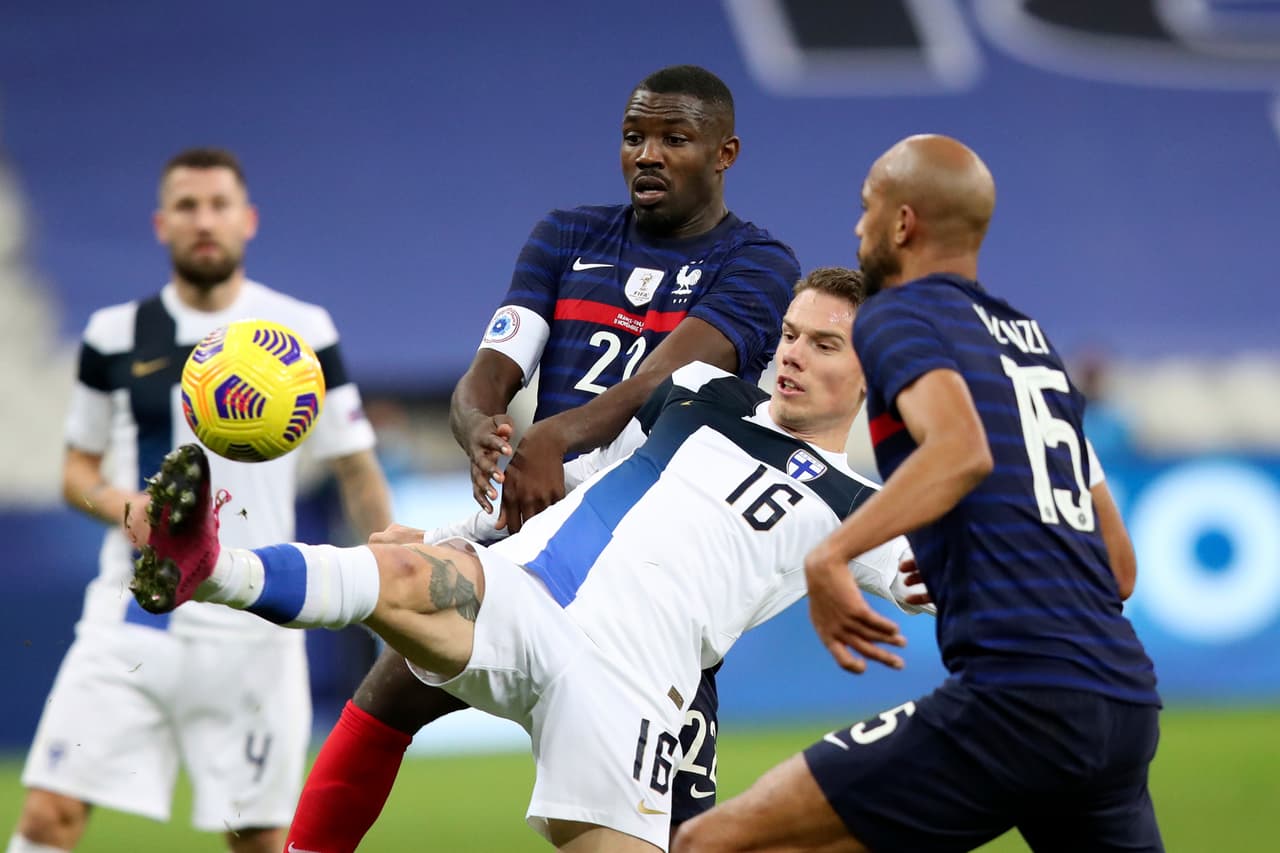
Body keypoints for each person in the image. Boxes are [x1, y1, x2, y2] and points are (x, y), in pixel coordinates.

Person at [126, 268, 929, 853]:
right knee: (404, 578)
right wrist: (463, 536)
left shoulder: (864, 503)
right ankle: (209, 564)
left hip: (633, 683)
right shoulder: (695, 391)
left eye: (824, 344)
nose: (792, 353)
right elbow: (575, 476)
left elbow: (933, 581)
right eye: (790, 333)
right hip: (530, 587)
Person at [286, 64, 801, 853]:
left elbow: (665, 377)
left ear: (725, 152)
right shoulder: (566, 236)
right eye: (634, 138)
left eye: (674, 138)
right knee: (392, 684)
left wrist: (552, 438)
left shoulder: (760, 264)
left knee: (684, 831)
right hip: (531, 523)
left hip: (655, 564)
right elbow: (490, 370)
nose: (648, 155)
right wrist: (483, 429)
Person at [671, 135, 1160, 853]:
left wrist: (832, 554)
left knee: (710, 843)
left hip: (1015, 703)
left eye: (867, 205)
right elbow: (1117, 567)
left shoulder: (896, 315)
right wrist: (976, 551)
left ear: (903, 223)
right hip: (1122, 704)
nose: (857, 225)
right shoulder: (1033, 347)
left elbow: (959, 447)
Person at [7, 148, 393, 853]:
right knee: (49, 815)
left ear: (248, 220)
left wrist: (394, 569)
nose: (204, 220)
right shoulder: (112, 334)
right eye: (187, 206)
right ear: (161, 224)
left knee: (257, 837)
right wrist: (126, 507)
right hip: (133, 612)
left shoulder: (303, 328)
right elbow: (76, 470)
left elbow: (357, 469)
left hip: (254, 622)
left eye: (219, 205)